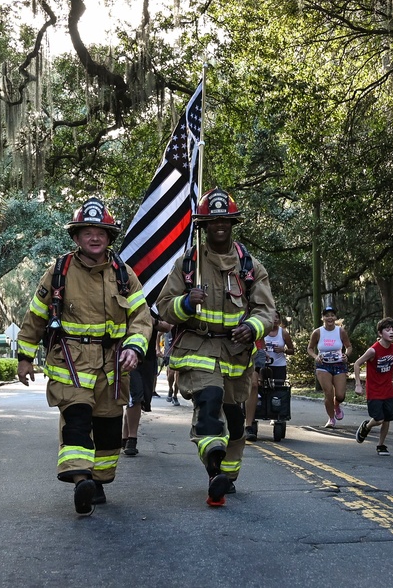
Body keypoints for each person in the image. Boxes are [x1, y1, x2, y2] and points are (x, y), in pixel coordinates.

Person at [16, 197, 153, 515]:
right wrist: (24, 356)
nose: (94, 237)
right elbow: (35, 316)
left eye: (101, 232)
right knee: (76, 421)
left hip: (112, 366)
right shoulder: (59, 271)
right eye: (87, 231)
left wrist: (135, 347)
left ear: (109, 237)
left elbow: (141, 317)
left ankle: (98, 481)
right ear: (76, 237)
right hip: (71, 363)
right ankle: (80, 481)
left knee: (107, 432)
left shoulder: (123, 274)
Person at [157, 187, 276, 507]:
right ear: (204, 225)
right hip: (197, 348)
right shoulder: (187, 264)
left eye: (225, 220)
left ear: (232, 223)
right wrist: (185, 302)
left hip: (236, 356)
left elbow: (266, 311)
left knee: (235, 420)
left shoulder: (251, 266)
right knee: (208, 401)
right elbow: (164, 307)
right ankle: (213, 467)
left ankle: (228, 473)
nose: (219, 225)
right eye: (213, 220)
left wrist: (251, 329)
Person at [353, 318, 393, 455]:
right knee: (379, 419)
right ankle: (366, 426)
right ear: (380, 333)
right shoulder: (373, 350)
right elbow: (357, 363)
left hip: (388, 389)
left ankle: (381, 445)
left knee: (387, 419)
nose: (391, 332)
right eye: (387, 330)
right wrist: (358, 384)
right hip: (374, 390)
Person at [122, 311, 172, 455]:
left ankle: (125, 437)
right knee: (135, 396)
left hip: (148, 357)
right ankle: (132, 438)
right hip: (128, 354)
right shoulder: (125, 293)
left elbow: (167, 326)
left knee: (141, 397)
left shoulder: (154, 302)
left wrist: (152, 321)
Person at [245, 312, 292, 441]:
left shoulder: (281, 331)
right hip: (238, 350)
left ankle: (248, 425)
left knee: (255, 385)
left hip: (259, 356)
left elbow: (259, 336)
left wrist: (263, 351)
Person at [307, 305, 353, 428]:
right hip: (323, 366)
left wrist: (346, 355)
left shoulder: (340, 331)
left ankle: (337, 404)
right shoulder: (317, 332)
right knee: (328, 392)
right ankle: (331, 418)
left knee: (340, 395)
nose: (330, 318)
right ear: (323, 318)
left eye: (332, 315)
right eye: (327, 316)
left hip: (338, 364)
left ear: (335, 317)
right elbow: (310, 348)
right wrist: (316, 356)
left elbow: (349, 346)